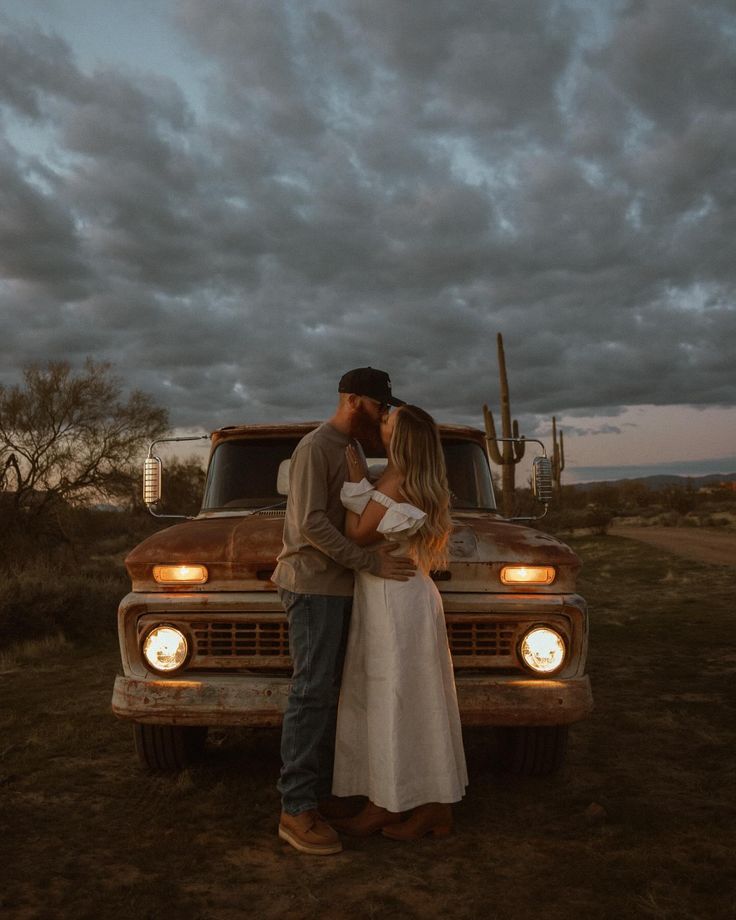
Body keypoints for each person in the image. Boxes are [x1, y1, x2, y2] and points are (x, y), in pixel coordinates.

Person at [272, 367, 416, 856]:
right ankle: (294, 810)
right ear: (354, 400)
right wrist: (370, 561)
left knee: (331, 691)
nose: (382, 418)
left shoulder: (351, 450)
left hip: (338, 587)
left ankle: (315, 795)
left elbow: (363, 506)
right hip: (313, 587)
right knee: (311, 693)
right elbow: (311, 523)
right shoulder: (316, 448)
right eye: (379, 407)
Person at [330, 404, 468, 839]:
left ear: (402, 436)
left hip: (397, 601)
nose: (382, 420)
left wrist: (354, 483)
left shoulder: (400, 481)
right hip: (390, 595)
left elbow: (356, 534)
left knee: (399, 698)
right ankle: (420, 805)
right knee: (405, 698)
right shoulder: (394, 476)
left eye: (389, 419)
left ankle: (393, 805)